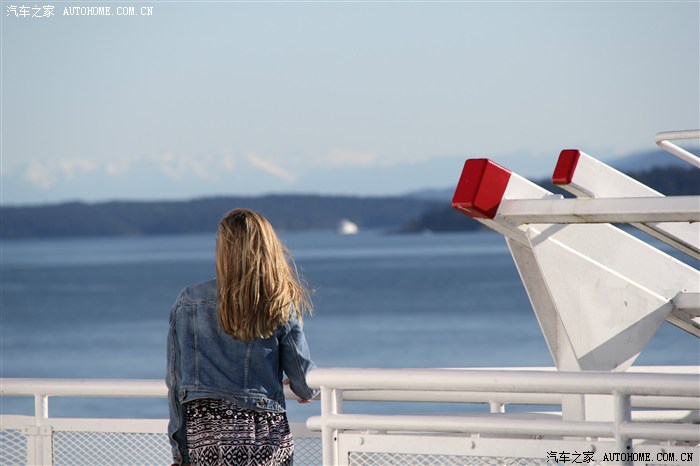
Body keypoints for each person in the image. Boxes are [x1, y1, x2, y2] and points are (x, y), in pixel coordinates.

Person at [166, 208, 318, 466]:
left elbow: (176, 383)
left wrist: (179, 451)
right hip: (264, 435)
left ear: (223, 250)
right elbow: (303, 383)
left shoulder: (188, 301)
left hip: (206, 436)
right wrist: (308, 388)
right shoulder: (277, 302)